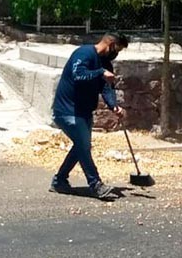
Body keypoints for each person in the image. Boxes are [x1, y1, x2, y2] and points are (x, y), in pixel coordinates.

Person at [49, 32, 129, 199]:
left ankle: (59, 181)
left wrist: (114, 106)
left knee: (81, 146)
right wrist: (100, 72)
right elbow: (78, 75)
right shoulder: (83, 54)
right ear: (110, 44)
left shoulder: (106, 64)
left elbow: (106, 89)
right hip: (67, 111)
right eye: (117, 49)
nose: (117, 54)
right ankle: (95, 184)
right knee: (83, 146)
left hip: (84, 112)